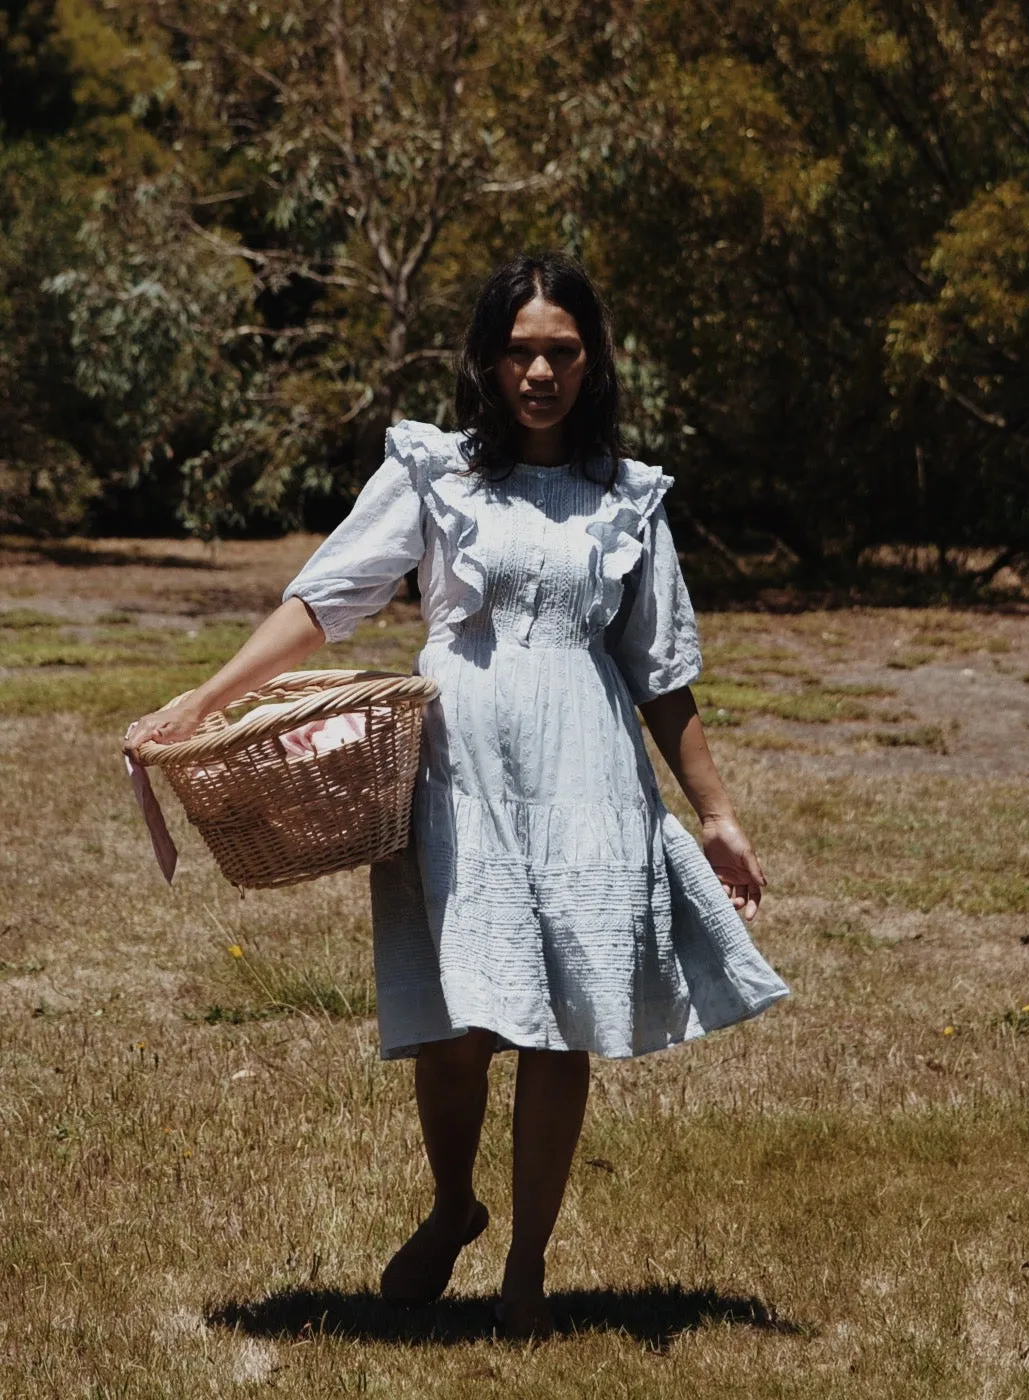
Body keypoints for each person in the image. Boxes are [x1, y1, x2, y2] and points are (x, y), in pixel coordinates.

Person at [124, 253, 789, 1339]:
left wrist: (715, 812)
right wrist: (207, 695)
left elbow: (661, 671)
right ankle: (453, 1202)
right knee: (458, 1022)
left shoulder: (629, 495)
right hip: (459, 766)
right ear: (485, 359)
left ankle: (527, 1261)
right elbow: (324, 599)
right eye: (520, 349)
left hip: (587, 773)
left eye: (562, 351)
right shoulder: (435, 473)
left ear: (592, 361)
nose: (540, 371)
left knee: (563, 1016)